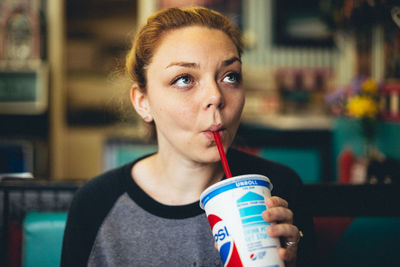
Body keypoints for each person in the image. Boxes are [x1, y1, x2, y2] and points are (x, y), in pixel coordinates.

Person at [61, 6, 316, 267]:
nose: (215, 96)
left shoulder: (278, 190)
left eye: (230, 76)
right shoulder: (95, 204)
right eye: (184, 79)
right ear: (143, 102)